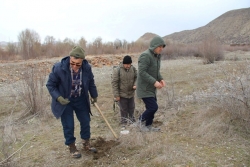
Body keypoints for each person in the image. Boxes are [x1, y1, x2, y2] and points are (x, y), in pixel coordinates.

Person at [46, 46, 98, 158]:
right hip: (65, 100)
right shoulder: (59, 68)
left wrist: (94, 95)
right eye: (72, 63)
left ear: (82, 62)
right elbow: (50, 85)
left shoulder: (87, 68)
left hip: (80, 98)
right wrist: (58, 98)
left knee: (85, 121)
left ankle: (86, 143)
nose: (74, 66)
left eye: (78, 64)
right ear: (70, 58)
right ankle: (72, 146)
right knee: (68, 125)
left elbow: (91, 82)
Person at [136, 35, 166, 132]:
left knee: (152, 108)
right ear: (154, 46)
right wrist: (154, 81)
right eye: (160, 47)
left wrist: (160, 79)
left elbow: (156, 71)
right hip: (144, 88)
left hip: (151, 88)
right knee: (153, 107)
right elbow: (142, 72)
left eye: (162, 47)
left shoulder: (156, 57)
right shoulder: (145, 55)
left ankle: (148, 126)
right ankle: (139, 122)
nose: (161, 49)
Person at [111, 55, 137, 127]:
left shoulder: (133, 69)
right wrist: (117, 95)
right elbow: (114, 83)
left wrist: (135, 84)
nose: (128, 66)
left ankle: (132, 120)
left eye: (129, 64)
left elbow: (137, 77)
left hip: (131, 94)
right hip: (122, 94)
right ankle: (124, 123)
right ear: (123, 63)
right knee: (123, 109)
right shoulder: (117, 70)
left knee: (132, 107)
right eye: (126, 64)